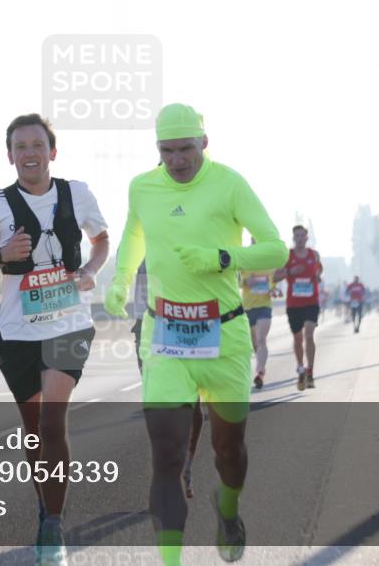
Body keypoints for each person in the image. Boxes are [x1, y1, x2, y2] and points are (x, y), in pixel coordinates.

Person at [104, 103, 286, 564]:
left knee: (229, 452)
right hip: (165, 332)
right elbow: (134, 236)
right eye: (167, 150)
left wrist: (223, 258)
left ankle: (228, 507)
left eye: (186, 148)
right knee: (166, 455)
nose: (177, 159)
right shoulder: (142, 188)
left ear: (204, 143)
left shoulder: (229, 184)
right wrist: (121, 282)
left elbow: (275, 248)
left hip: (224, 335)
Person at [0, 113, 109, 566]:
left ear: (52, 151)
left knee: (51, 421)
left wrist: (88, 271)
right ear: (10, 156)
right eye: (20, 146)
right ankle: (46, 507)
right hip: (18, 331)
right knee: (33, 431)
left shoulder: (77, 193)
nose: (29, 153)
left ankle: (54, 525)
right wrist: (0, 256)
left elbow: (101, 240)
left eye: (37, 144)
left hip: (68, 323)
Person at [133, 260, 204, 499]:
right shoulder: (135, 239)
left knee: (192, 407)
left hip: (186, 325)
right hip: (147, 327)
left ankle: (186, 466)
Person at [274, 226, 323, 391]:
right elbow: (275, 276)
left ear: (307, 238)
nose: (300, 238)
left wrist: (317, 276)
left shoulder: (313, 255)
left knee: (309, 334)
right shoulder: (287, 256)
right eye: (297, 235)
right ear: (293, 237)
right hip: (294, 304)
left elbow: (319, 270)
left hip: (311, 302)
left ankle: (310, 371)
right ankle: (301, 368)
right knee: (297, 339)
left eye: (302, 235)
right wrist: (290, 271)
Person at [239, 239, 276, 390]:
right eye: (253, 242)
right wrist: (247, 281)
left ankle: (259, 372)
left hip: (264, 305)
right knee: (253, 342)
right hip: (248, 306)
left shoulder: (270, 262)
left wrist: (272, 289)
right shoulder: (245, 260)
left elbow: (272, 283)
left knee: (261, 339)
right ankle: (261, 366)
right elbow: (240, 282)